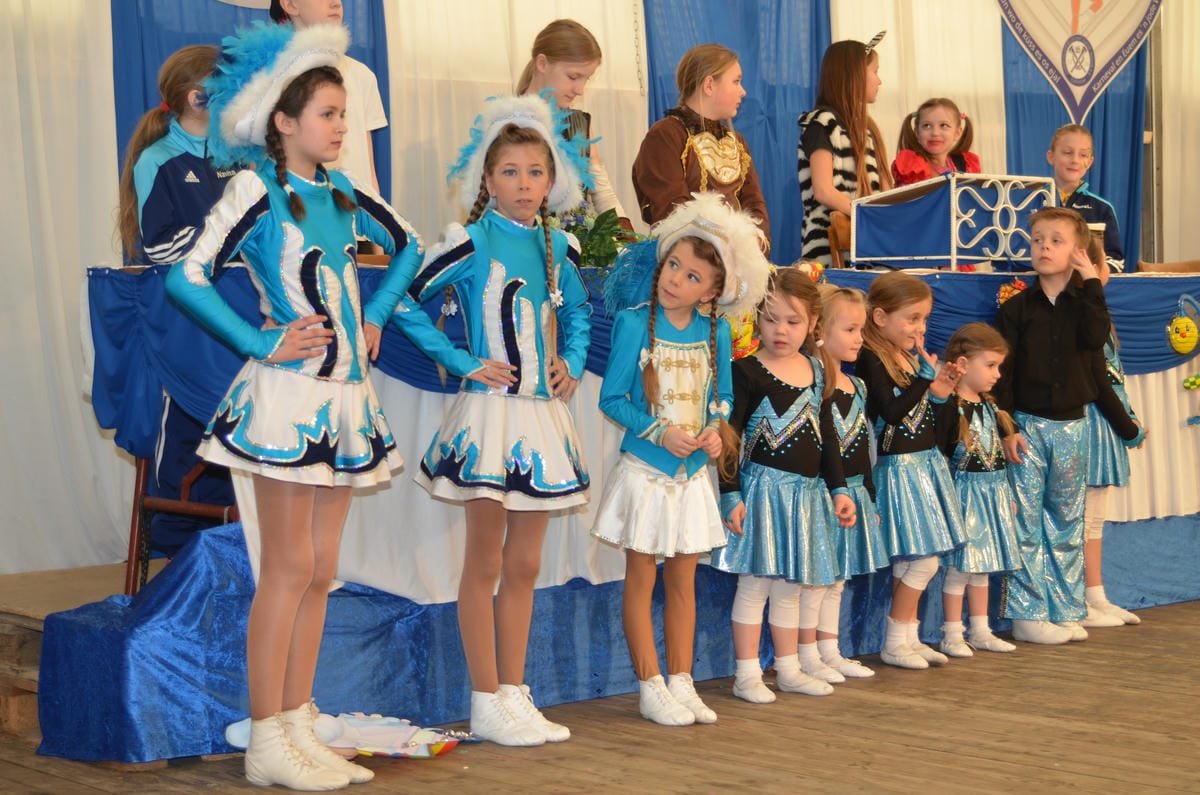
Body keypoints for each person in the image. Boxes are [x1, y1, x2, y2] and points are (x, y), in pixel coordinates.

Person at [166, 23, 424, 790]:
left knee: (319, 570)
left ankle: (298, 717)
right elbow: (186, 276)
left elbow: (409, 246)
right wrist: (259, 341)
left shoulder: (342, 193)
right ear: (283, 120)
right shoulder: (256, 191)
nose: (341, 127)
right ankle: (266, 734)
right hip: (286, 402)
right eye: (328, 114)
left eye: (344, 114)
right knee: (285, 568)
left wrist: (375, 317)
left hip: (345, 402)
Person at [401, 94, 593, 747]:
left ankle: (514, 691)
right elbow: (405, 299)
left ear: (551, 179)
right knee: (484, 558)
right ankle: (484, 698)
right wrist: (461, 360)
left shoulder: (556, 245)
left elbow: (578, 311)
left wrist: (571, 360)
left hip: (540, 419)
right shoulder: (471, 241)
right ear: (487, 179)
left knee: (526, 562)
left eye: (536, 172)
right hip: (488, 420)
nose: (524, 184)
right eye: (510, 172)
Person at [593, 192, 770, 726]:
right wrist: (660, 432)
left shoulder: (716, 332)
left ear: (713, 292)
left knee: (683, 583)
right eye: (673, 265)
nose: (675, 279)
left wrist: (715, 432)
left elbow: (722, 398)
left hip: (691, 478)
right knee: (641, 576)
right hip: (646, 473)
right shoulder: (633, 323)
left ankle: (682, 680)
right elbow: (612, 399)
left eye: (693, 276)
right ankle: (649, 683)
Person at [116, 44, 237, 556]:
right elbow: (159, 246)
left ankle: (232, 546)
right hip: (184, 325)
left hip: (238, 318)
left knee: (239, 430)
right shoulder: (158, 160)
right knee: (186, 431)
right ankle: (173, 550)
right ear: (196, 97)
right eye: (225, 84)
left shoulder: (240, 154)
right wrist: (225, 234)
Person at [715, 269, 855, 703]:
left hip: (806, 497)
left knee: (791, 587)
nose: (781, 330)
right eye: (771, 319)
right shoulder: (746, 372)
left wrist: (839, 488)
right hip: (762, 494)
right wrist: (731, 493)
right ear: (756, 318)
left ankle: (789, 667)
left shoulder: (816, 369)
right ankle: (746, 675)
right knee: (756, 585)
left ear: (813, 323)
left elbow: (827, 436)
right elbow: (730, 437)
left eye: (793, 322)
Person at [994, 207, 1112, 645]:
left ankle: (1064, 607)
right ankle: (1027, 614)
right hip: (1027, 425)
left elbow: (1096, 338)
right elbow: (1003, 376)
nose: (1044, 247)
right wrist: (1008, 428)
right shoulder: (1016, 309)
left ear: (1077, 250)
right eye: (1037, 239)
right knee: (1026, 522)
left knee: (1066, 520)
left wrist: (1092, 280)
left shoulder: (1085, 305)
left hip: (1072, 427)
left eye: (1056, 240)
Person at [857, 271, 965, 669]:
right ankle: (894, 638)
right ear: (880, 317)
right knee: (924, 561)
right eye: (912, 318)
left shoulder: (910, 357)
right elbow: (890, 412)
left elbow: (932, 427)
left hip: (924, 466)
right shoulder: (870, 357)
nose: (920, 328)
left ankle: (908, 636)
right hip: (896, 468)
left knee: (912, 559)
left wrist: (940, 396)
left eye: (925, 319)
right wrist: (922, 383)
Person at [811, 284, 886, 678]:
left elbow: (864, 448)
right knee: (818, 579)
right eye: (850, 330)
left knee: (838, 578)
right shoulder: (815, 386)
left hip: (854, 493)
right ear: (821, 329)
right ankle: (808, 653)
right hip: (823, 494)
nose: (860, 338)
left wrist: (869, 497)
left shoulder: (857, 386)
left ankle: (830, 649)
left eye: (861, 330)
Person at [935, 323, 1022, 657]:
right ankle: (952, 634)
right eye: (990, 365)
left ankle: (981, 629)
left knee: (982, 566)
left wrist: (1007, 495)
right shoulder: (950, 406)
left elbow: (996, 456)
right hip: (965, 495)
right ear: (963, 363)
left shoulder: (989, 407)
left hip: (992, 494)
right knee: (960, 569)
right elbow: (941, 455)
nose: (997, 374)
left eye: (999, 366)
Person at [631, 43, 769, 242]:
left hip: (738, 255)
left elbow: (755, 207)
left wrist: (751, 248)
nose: (743, 91)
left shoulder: (737, 142)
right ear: (709, 85)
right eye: (736, 81)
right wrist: (724, 245)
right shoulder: (666, 135)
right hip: (688, 257)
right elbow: (675, 213)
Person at [1080, 237, 1146, 626]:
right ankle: (1080, 599)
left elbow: (1114, 378)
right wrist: (1128, 427)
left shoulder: (1099, 316)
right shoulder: (1085, 316)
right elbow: (1099, 382)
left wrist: (1129, 419)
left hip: (1104, 425)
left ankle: (1096, 595)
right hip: (1090, 423)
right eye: (1104, 262)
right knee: (1082, 517)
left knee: (1094, 518)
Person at [517, 18, 629, 225]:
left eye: (586, 79)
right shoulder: (508, 124)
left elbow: (602, 193)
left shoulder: (580, 124)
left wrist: (624, 233)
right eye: (573, 76)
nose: (580, 90)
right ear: (542, 64)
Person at [797, 33, 892, 266]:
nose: (879, 81)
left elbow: (885, 192)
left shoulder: (868, 131)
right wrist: (867, 217)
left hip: (867, 245)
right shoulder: (822, 123)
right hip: (828, 245)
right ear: (855, 75)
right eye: (875, 71)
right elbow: (823, 191)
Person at [272, 0, 387, 192]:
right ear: (291, 5)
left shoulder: (362, 74)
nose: (336, 3)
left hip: (355, 204)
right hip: (296, 202)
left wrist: (375, 203)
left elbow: (368, 169)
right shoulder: (268, 77)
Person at [1045, 124, 1124, 272]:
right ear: (1051, 157)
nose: (1075, 160)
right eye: (1067, 152)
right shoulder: (1031, 201)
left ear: (1090, 162)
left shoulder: (1102, 209)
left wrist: (1090, 274)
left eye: (1083, 155)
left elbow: (1116, 261)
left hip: (1085, 284)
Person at [891, 97, 980, 187]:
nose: (935, 133)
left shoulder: (965, 164)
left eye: (943, 125)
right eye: (927, 126)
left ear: (957, 133)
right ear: (917, 132)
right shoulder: (913, 168)